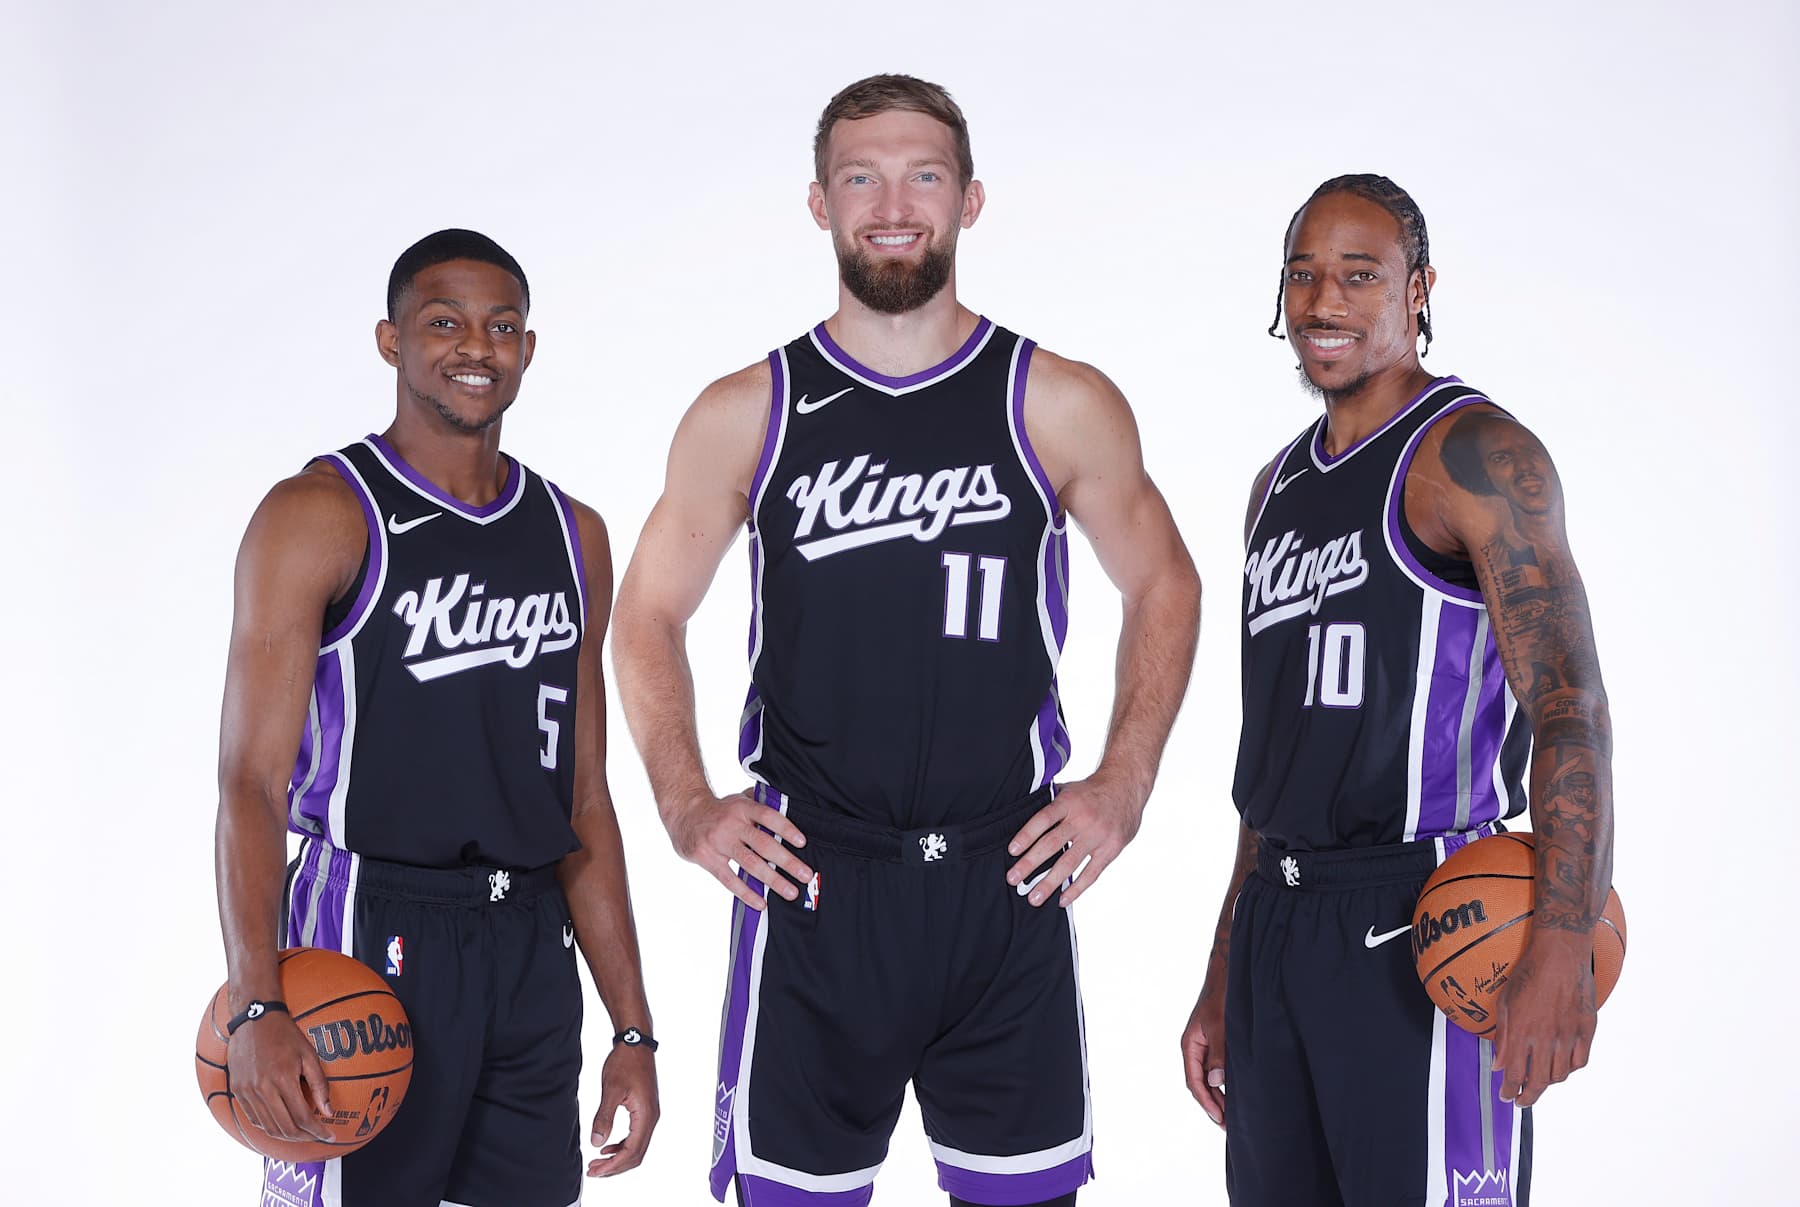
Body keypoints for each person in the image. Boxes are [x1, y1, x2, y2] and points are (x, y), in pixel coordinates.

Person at [611, 75, 1200, 1207]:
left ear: (970, 199)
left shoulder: (1055, 401)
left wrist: (1123, 782)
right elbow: (646, 615)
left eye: (923, 174)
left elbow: (1165, 582)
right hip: (816, 883)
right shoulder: (750, 408)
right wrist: (689, 805)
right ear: (821, 203)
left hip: (1003, 884)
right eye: (861, 177)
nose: (893, 202)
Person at [1180, 176, 1616, 1206]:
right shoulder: (1276, 488)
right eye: (1303, 274)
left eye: (1358, 275)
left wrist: (1562, 938)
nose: (1323, 301)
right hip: (1280, 920)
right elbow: (1276, 754)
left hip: (1423, 915)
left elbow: (1569, 702)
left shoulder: (1473, 454)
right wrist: (1223, 964)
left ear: (1418, 288)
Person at [213, 229, 659, 1206]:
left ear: (528, 349)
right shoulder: (319, 513)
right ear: (391, 340)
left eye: (502, 326)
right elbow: (251, 780)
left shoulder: (572, 533)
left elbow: (584, 795)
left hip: (530, 942)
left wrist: (631, 1027)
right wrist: (255, 999)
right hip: (369, 926)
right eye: (444, 321)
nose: (476, 346)